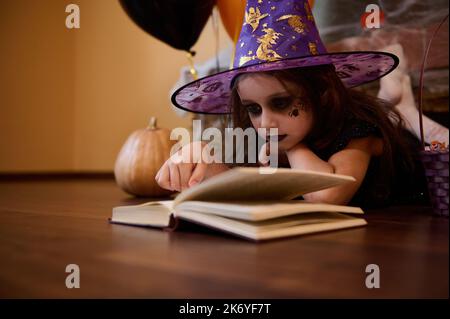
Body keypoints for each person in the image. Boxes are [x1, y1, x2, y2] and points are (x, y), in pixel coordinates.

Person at [156, 0, 429, 207]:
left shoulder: (359, 128)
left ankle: (401, 104)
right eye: (253, 108)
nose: (266, 122)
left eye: (282, 103)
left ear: (320, 93)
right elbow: (237, 183)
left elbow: (326, 195)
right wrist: (197, 155)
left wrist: (295, 148)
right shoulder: (273, 133)